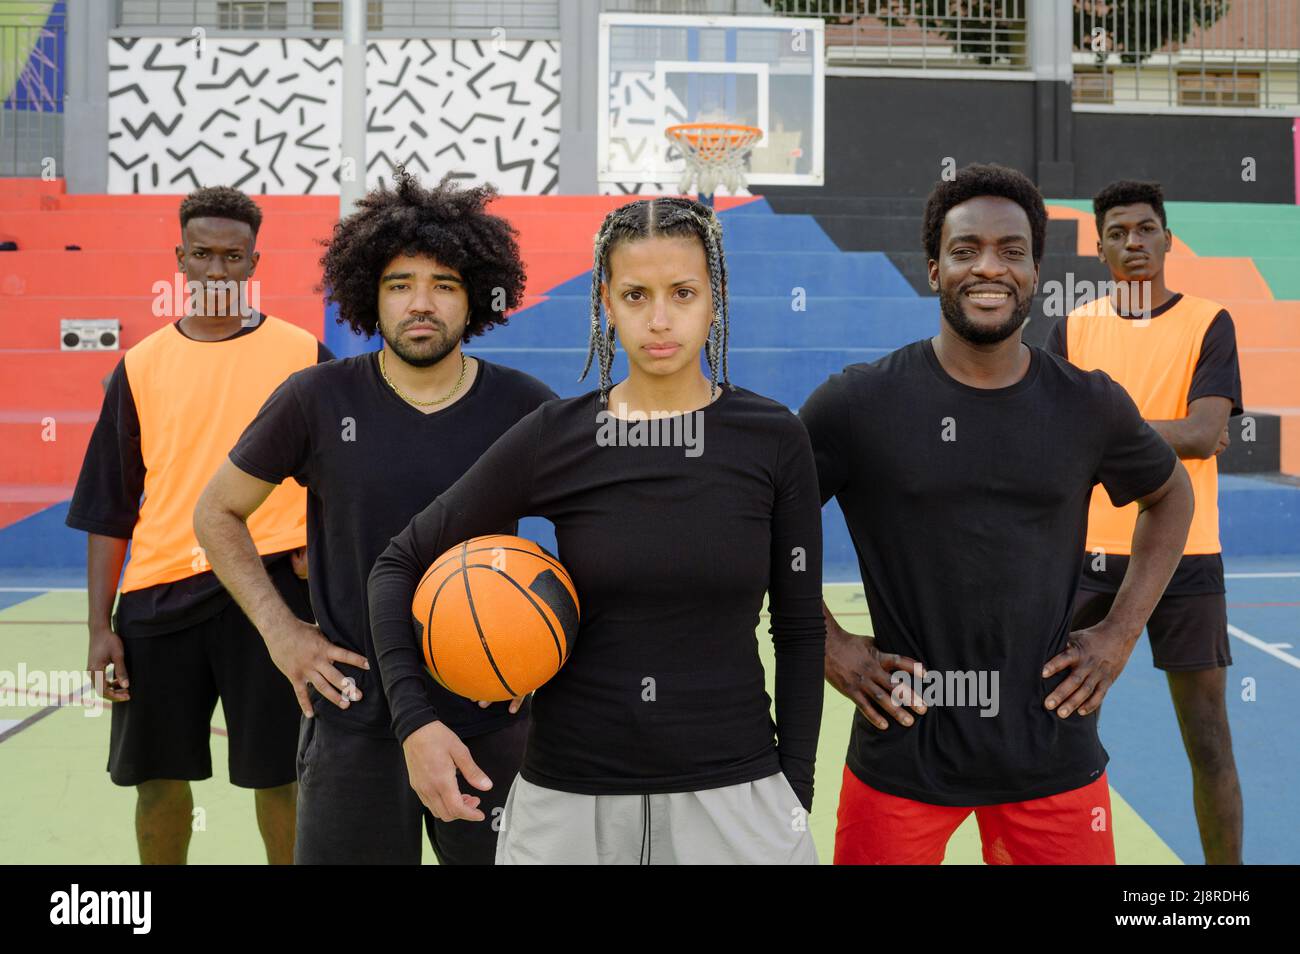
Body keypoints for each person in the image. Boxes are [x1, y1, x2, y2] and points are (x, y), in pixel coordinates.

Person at [368, 196, 825, 864]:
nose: (660, 318)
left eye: (683, 292)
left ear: (715, 298)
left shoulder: (774, 439)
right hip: (569, 800)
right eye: (636, 294)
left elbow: (800, 628)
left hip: (736, 790)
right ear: (605, 302)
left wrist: (795, 788)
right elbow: (397, 563)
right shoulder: (558, 437)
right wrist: (416, 723)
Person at [801, 163, 1196, 865]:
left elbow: (1171, 495)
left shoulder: (1087, 404)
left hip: (1051, 749)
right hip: (903, 750)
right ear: (933, 270)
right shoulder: (858, 405)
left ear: (1036, 270)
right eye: (966, 250)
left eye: (1011, 251)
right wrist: (828, 643)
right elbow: (769, 516)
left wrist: (1118, 634)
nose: (990, 267)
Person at [194, 170, 556, 864]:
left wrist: (555, 651)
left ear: (476, 296)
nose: (422, 304)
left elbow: (595, 525)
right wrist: (281, 633)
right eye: (400, 285)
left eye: (444, 285)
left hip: (488, 715)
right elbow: (216, 513)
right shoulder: (315, 399)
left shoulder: (522, 408)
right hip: (354, 717)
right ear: (370, 294)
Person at [67, 185, 330, 864]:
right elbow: (109, 508)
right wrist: (100, 628)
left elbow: (344, 476)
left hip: (271, 596)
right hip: (159, 597)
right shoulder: (140, 366)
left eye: (233, 257)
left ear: (254, 261)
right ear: (179, 259)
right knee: (156, 785)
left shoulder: (304, 355)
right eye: (204, 255)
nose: (218, 270)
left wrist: (318, 546)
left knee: (281, 779)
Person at [1046, 179, 1244, 865]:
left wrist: (1096, 433)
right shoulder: (1072, 328)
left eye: (1147, 229)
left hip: (1187, 555)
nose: (1134, 242)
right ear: (1099, 247)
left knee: (1209, 739)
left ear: (1167, 238)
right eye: (1119, 232)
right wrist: (1170, 433)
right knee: (1059, 727)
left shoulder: (1209, 321)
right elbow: (1047, 433)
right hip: (1084, 555)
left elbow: (1204, 432)